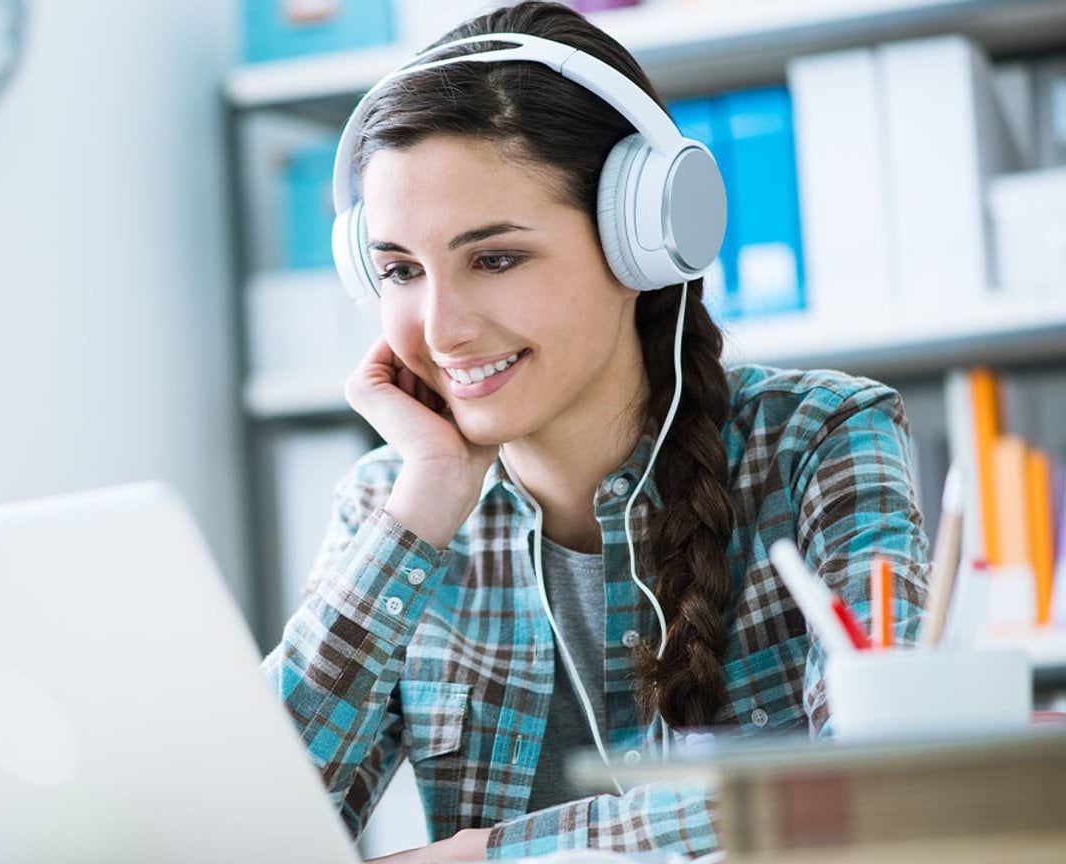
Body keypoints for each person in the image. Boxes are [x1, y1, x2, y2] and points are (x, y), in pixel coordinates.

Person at [259, 2, 930, 861]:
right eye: (399, 270)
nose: (440, 329)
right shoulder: (388, 507)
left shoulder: (818, 441)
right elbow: (250, 831)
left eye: (495, 258)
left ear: (643, 243)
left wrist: (485, 855)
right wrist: (421, 507)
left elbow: (872, 790)